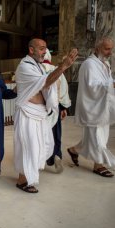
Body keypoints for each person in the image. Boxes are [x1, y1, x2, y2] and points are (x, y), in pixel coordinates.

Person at [14, 38, 78, 193]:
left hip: (40, 113)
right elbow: (45, 83)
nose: (45, 52)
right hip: (28, 114)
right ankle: (24, 180)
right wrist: (63, 66)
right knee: (29, 148)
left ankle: (25, 178)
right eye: (42, 48)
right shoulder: (24, 66)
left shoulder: (38, 66)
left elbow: (48, 85)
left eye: (45, 48)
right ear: (31, 50)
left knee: (39, 147)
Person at [67, 37, 115, 178]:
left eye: (111, 49)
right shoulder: (89, 64)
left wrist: (112, 84)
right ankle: (98, 165)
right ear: (97, 48)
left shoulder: (105, 64)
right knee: (96, 138)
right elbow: (92, 86)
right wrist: (111, 85)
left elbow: (108, 82)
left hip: (103, 107)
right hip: (92, 108)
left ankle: (74, 150)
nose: (109, 52)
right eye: (107, 49)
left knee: (98, 137)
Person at [42, 49, 71, 173]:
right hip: (55, 108)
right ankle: (56, 155)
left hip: (40, 108)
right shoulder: (56, 69)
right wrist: (64, 108)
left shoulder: (35, 68)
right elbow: (63, 90)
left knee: (40, 135)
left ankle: (41, 158)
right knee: (55, 133)